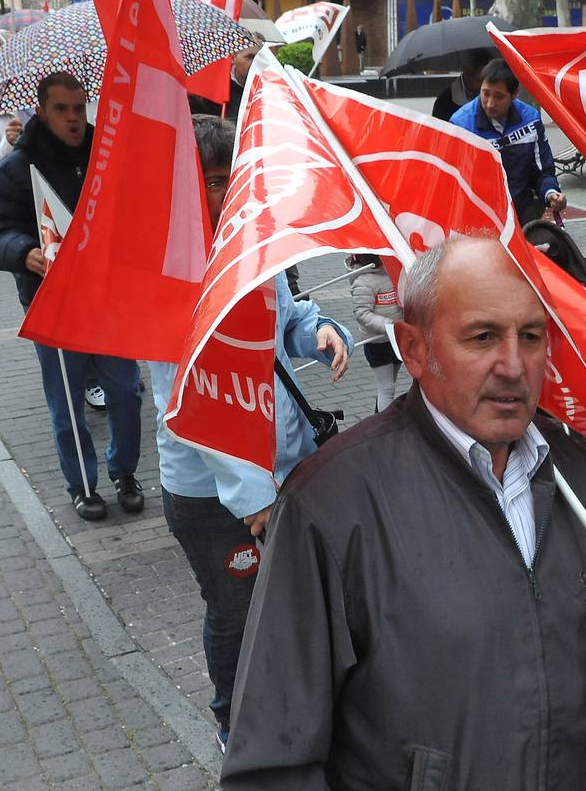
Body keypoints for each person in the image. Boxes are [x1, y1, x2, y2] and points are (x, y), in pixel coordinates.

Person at [221, 235, 586, 789]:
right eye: (482, 337)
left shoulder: (573, 471)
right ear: (414, 350)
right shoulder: (330, 504)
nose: (513, 365)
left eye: (531, 336)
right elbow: (271, 761)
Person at [150, 114, 351, 754]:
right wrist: (255, 496)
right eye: (209, 182)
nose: (222, 193)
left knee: (290, 600)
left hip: (279, 468)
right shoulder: (169, 273)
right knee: (236, 614)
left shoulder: (249, 244)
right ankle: (235, 724)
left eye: (229, 178)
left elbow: (287, 318)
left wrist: (317, 335)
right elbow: (194, 396)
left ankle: (292, 704)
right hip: (213, 495)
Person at [0, 72, 147, 521]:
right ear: (40, 110)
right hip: (51, 301)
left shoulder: (105, 154)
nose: (73, 119)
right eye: (61, 110)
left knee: (127, 391)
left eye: (79, 108)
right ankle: (83, 484)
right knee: (67, 401)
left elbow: (132, 211)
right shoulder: (18, 166)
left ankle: (124, 471)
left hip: (107, 299)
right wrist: (24, 252)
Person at [450, 59, 567, 224]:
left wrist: (551, 193)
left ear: (514, 95)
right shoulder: (461, 124)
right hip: (479, 216)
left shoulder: (530, 119)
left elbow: (543, 172)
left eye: (499, 96)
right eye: (485, 93)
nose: (490, 103)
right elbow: (454, 180)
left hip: (523, 213)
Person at [347, 252, 403, 412]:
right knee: (387, 388)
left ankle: (379, 419)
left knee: (390, 383)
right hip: (376, 342)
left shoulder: (393, 273)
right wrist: (390, 324)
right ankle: (384, 425)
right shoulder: (362, 282)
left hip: (395, 339)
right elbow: (362, 314)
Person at [431, 48, 492, 122]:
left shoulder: (496, 96)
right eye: (480, 81)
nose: (484, 86)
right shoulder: (445, 101)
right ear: (467, 73)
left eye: (488, 80)